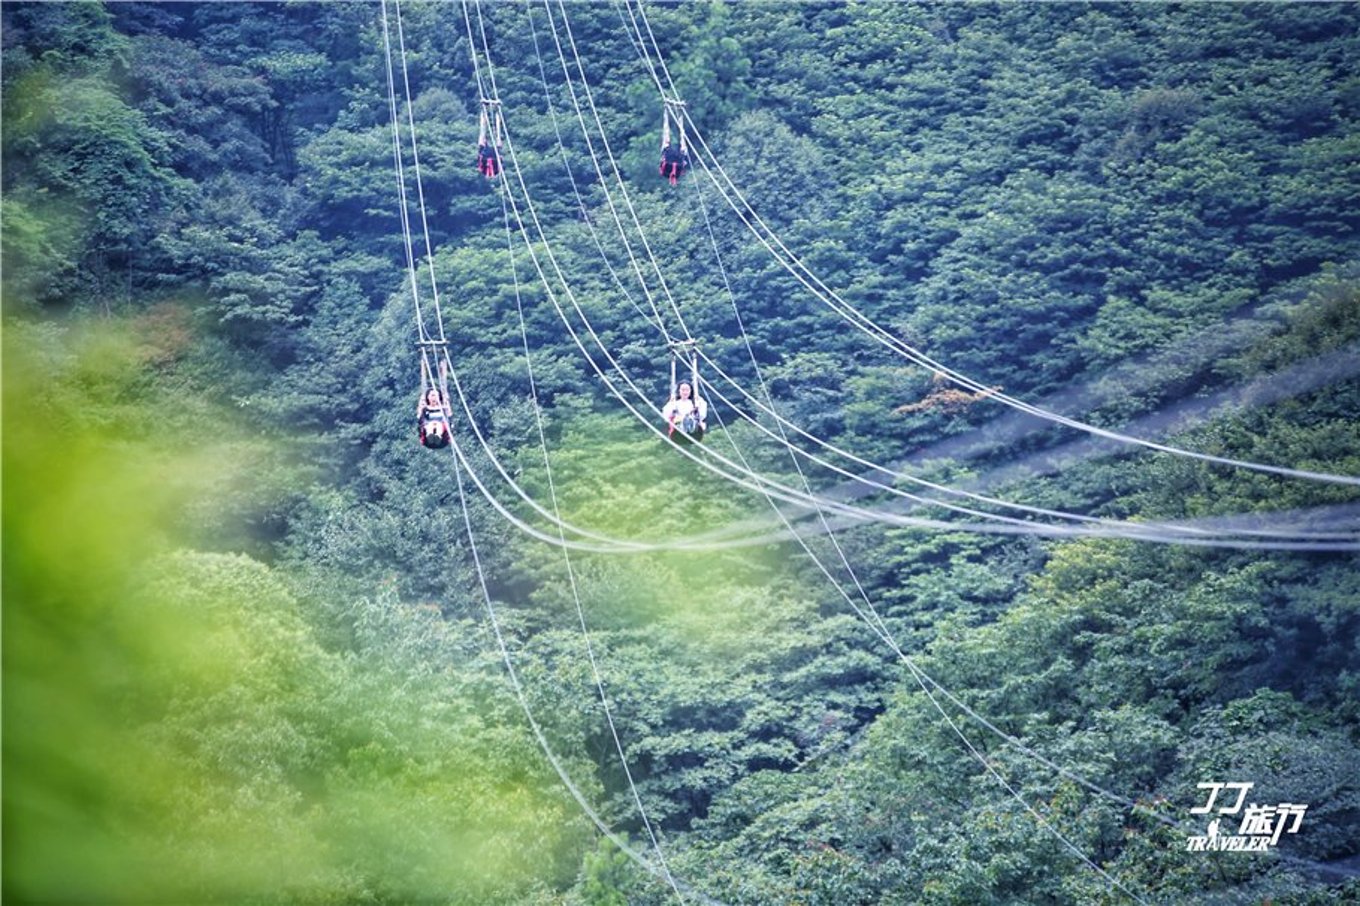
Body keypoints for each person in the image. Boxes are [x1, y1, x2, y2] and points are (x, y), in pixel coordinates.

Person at [418, 384, 454, 448]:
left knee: (438, 425)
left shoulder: (443, 408)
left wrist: (447, 402)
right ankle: (430, 436)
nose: (434, 398)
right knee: (431, 425)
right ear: (428, 397)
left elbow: (449, 416)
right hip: (428, 425)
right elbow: (420, 418)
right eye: (432, 395)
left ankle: (438, 436)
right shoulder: (425, 409)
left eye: (436, 396)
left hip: (441, 426)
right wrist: (421, 404)